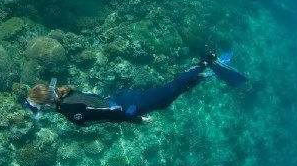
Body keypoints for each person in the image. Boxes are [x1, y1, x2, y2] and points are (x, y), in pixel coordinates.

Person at [25, 50, 247, 127]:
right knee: (173, 92)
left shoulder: (69, 110)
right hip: (121, 97)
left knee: (172, 89)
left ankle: (205, 63)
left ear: (47, 103)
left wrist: (138, 120)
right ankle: (205, 75)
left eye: (39, 107)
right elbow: (92, 102)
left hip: (130, 106)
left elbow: (110, 114)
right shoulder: (63, 92)